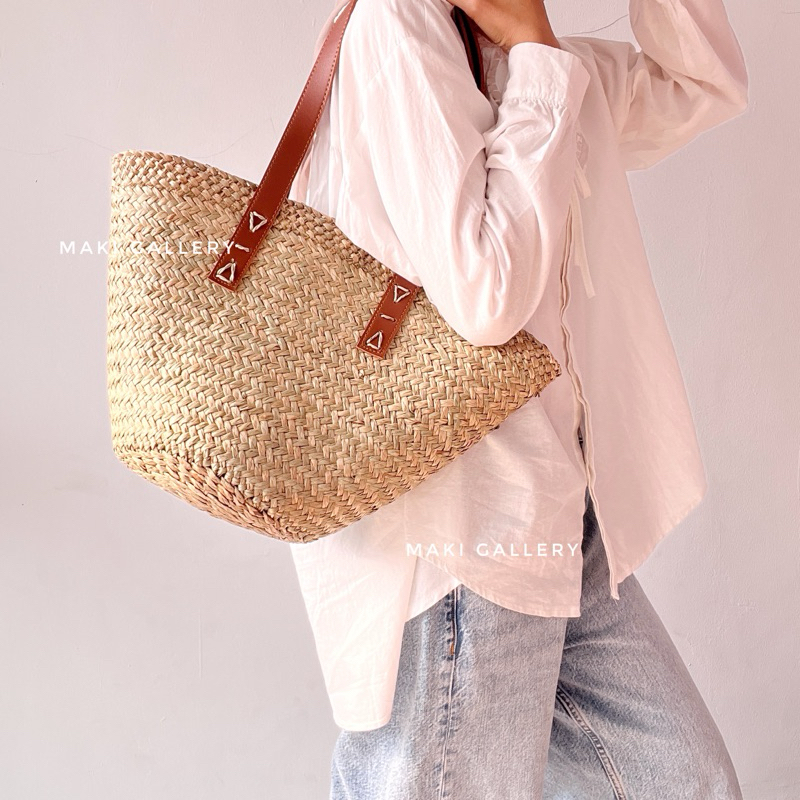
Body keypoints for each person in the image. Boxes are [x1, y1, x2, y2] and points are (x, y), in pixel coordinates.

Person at [286, 0, 750, 796]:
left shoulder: (526, 54)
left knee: (682, 779)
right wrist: (536, 53)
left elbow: (700, 85)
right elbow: (485, 297)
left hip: (557, 513)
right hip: (462, 528)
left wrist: (535, 51)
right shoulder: (399, 26)